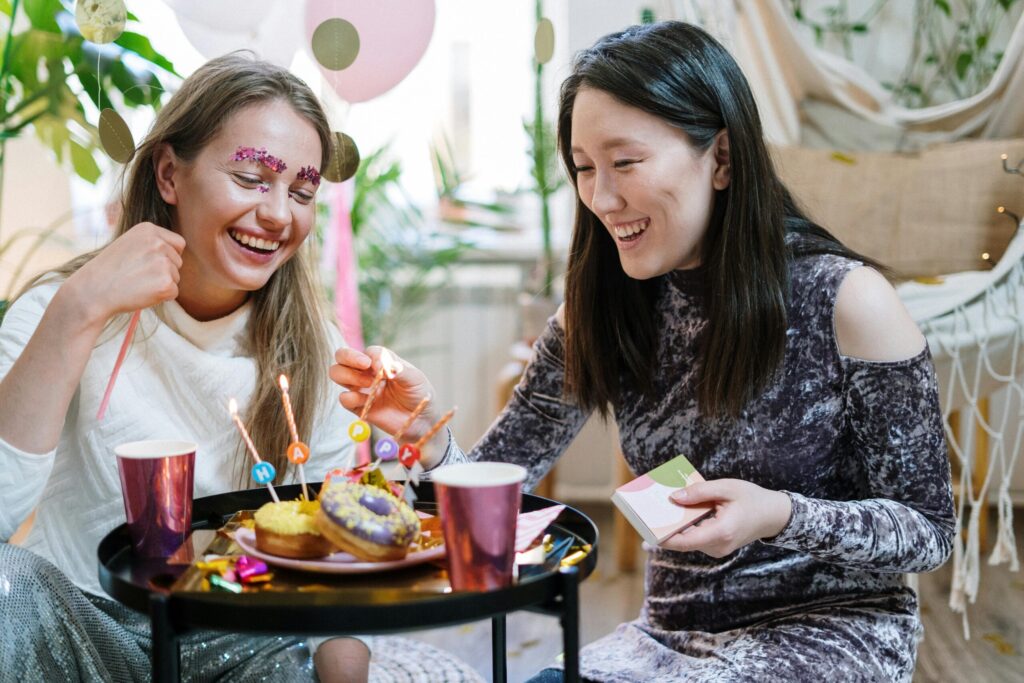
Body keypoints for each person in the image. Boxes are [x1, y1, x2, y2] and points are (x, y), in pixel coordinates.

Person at [332, 21, 956, 683]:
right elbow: (496, 494)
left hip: (833, 637)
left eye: (625, 163)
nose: (601, 197)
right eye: (584, 168)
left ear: (721, 158)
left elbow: (928, 529)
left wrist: (778, 514)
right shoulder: (598, 309)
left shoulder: (850, 302)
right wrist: (429, 439)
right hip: (663, 643)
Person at [0, 53, 449, 683]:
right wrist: (78, 308)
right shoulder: (61, 310)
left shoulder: (314, 349)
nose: (278, 215)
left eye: (301, 192)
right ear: (168, 175)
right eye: (250, 178)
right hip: (80, 628)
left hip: (239, 639)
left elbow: (335, 558)